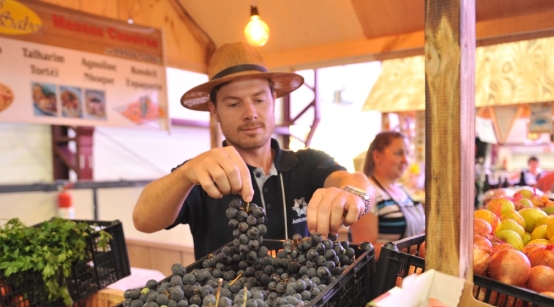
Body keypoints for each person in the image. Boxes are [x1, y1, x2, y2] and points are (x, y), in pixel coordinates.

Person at [132, 42, 374, 260]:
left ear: (274, 99)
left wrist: (353, 194)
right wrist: (184, 174)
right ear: (214, 110)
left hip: (304, 302)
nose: (250, 113)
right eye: (234, 103)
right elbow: (143, 219)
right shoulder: (202, 174)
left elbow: (357, 183)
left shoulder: (308, 163)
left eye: (259, 100)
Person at [349, 131, 426, 258]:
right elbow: (364, 251)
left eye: (407, 153)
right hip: (383, 276)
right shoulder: (367, 194)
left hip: (411, 273)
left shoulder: (404, 190)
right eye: (398, 153)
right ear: (377, 156)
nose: (405, 160)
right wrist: (415, 245)